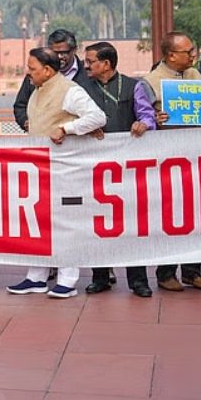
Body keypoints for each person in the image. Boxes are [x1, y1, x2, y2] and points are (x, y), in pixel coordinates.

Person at [5, 48, 106, 299]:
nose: (28, 73)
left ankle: (67, 280)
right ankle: (36, 278)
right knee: (38, 223)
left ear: (48, 71)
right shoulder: (37, 91)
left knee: (66, 224)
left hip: (65, 169)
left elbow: (97, 117)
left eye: (32, 68)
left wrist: (66, 128)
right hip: (40, 169)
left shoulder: (70, 91)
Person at [75, 42, 155, 296]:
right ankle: (100, 277)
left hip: (129, 166)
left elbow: (147, 115)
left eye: (90, 61)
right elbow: (70, 118)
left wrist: (144, 124)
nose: (86, 66)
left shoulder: (134, 86)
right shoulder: (80, 88)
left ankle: (138, 281)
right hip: (94, 165)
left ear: (106, 64)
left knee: (132, 223)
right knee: (97, 222)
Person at [142, 32, 201, 292]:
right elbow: (141, 116)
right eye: (188, 52)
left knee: (199, 214)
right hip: (168, 158)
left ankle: (193, 271)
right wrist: (154, 120)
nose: (194, 55)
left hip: (197, 155)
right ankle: (166, 273)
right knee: (171, 217)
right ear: (171, 55)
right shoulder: (151, 82)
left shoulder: (196, 76)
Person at [13, 29, 82, 131]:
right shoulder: (35, 75)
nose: (59, 57)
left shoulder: (88, 75)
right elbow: (20, 105)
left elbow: (94, 115)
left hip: (77, 137)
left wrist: (67, 129)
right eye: (55, 53)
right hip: (42, 136)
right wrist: (25, 121)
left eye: (64, 53)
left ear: (74, 50)